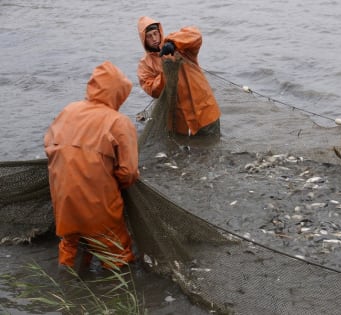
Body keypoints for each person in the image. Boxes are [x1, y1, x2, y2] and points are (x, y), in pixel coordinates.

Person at [44, 61, 140, 270]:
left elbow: (48, 146)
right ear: (120, 93)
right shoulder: (119, 122)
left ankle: (68, 289)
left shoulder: (68, 110)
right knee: (117, 254)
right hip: (98, 206)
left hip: (63, 202)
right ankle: (114, 295)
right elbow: (128, 172)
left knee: (70, 246)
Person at [137, 16, 221, 136]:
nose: (154, 38)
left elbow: (196, 35)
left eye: (155, 33)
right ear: (144, 40)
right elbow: (153, 91)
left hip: (206, 112)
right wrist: (166, 71)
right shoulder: (145, 64)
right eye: (149, 36)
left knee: (212, 147)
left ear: (160, 32)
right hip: (181, 122)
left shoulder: (181, 47)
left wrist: (173, 43)